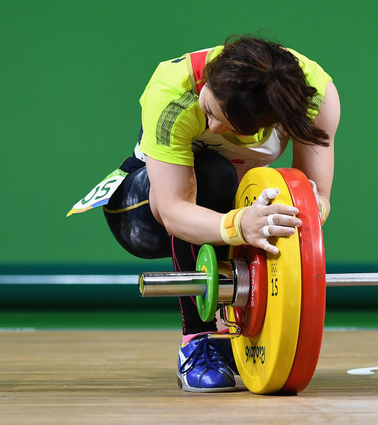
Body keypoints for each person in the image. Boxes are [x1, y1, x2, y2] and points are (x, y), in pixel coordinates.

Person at [101, 35, 341, 392]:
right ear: (209, 79)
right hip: (141, 211)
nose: (212, 128)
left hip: (229, 206)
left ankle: (234, 335)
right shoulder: (173, 94)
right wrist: (240, 224)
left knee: (269, 207)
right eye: (211, 110)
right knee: (215, 173)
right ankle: (198, 343)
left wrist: (291, 218)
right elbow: (172, 209)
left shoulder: (312, 97)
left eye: (229, 125)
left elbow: (315, 195)